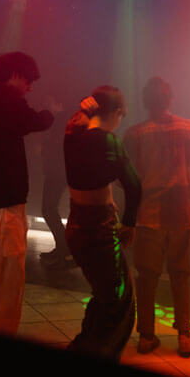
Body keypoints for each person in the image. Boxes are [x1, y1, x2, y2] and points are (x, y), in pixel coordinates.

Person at [123, 77, 190, 358]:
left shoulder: (134, 134)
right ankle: (184, 336)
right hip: (182, 214)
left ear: (145, 102)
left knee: (147, 277)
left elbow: (126, 179)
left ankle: (146, 337)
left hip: (148, 215)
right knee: (181, 274)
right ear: (171, 100)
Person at [0, 52, 53, 336]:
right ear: (16, 75)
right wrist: (51, 111)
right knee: (5, 280)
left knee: (2, 278)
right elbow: (36, 120)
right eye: (28, 80)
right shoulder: (4, 101)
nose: (29, 88)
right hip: (4, 202)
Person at [63, 86, 141, 362]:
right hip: (99, 229)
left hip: (76, 226)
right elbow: (134, 186)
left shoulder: (71, 136)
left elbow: (92, 180)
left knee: (104, 296)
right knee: (119, 302)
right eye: (121, 116)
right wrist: (129, 224)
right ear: (117, 112)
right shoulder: (109, 141)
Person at [39, 92, 71, 267]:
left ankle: (64, 248)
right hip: (59, 172)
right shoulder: (63, 121)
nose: (46, 105)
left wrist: (44, 149)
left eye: (49, 102)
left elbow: (57, 146)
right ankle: (62, 247)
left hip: (57, 172)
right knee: (49, 209)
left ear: (59, 104)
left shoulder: (60, 122)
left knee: (48, 209)